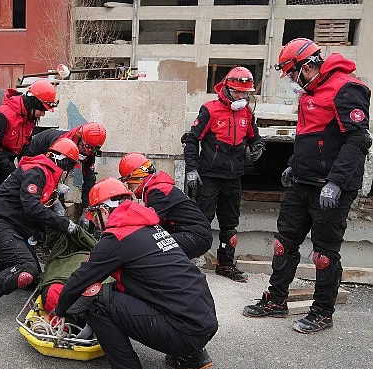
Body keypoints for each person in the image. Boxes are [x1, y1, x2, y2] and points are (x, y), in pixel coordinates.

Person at [243, 38, 371, 334]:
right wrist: (292, 164)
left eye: (291, 73)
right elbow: (308, 137)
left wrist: (336, 183)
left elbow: (358, 140)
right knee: (283, 243)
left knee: (324, 254)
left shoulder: (346, 88)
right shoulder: (308, 94)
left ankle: (322, 311)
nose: (290, 80)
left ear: (306, 66)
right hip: (303, 182)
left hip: (331, 188)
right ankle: (276, 301)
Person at [54, 178, 218, 369]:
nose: (96, 224)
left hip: (184, 330)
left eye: (95, 217)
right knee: (118, 289)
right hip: (202, 319)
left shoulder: (117, 237)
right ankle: (190, 356)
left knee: (97, 301)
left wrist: (60, 310)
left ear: (104, 211)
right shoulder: (151, 228)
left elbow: (81, 279)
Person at [0, 138, 81, 327]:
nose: (69, 174)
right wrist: (64, 225)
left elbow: (33, 210)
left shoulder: (46, 174)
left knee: (32, 279)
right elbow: (32, 208)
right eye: (70, 168)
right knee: (26, 269)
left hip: (11, 226)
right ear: (63, 163)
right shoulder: (37, 172)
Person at [0, 79, 57, 285]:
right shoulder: (2, 115)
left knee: (15, 208)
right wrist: (13, 172)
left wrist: (28, 168)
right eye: (42, 109)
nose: (43, 114)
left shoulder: (29, 119)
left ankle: (0, 256)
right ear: (33, 103)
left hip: (4, 162)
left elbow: (23, 148)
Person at [181, 66, 265, 282]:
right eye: (237, 92)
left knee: (230, 224)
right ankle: (188, 263)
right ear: (226, 89)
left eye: (245, 93)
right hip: (209, 177)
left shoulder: (247, 112)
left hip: (234, 177)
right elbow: (191, 139)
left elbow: (255, 137)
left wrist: (258, 147)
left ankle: (226, 264)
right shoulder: (210, 110)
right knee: (201, 221)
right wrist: (191, 169)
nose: (242, 96)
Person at [118, 152, 212, 259]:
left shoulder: (158, 191)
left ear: (136, 177)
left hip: (195, 235)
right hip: (192, 233)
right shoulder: (157, 188)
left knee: (150, 248)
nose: (129, 188)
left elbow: (147, 223)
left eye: (129, 183)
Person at [22, 121, 107, 208]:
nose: (86, 153)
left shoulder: (90, 149)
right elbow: (52, 175)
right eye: (84, 148)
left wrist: (87, 207)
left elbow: (89, 177)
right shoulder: (61, 143)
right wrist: (57, 203)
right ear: (79, 137)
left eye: (91, 150)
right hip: (32, 155)